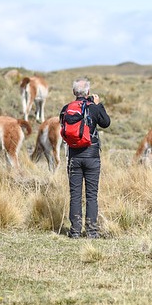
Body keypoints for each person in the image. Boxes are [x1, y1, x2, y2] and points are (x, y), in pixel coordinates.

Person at [60, 77, 111, 239]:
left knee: (75, 194)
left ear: (74, 92)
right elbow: (106, 123)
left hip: (73, 157)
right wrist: (98, 104)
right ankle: (92, 231)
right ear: (88, 92)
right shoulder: (93, 108)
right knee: (91, 195)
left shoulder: (66, 109)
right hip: (92, 156)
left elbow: (63, 127)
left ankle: (74, 231)